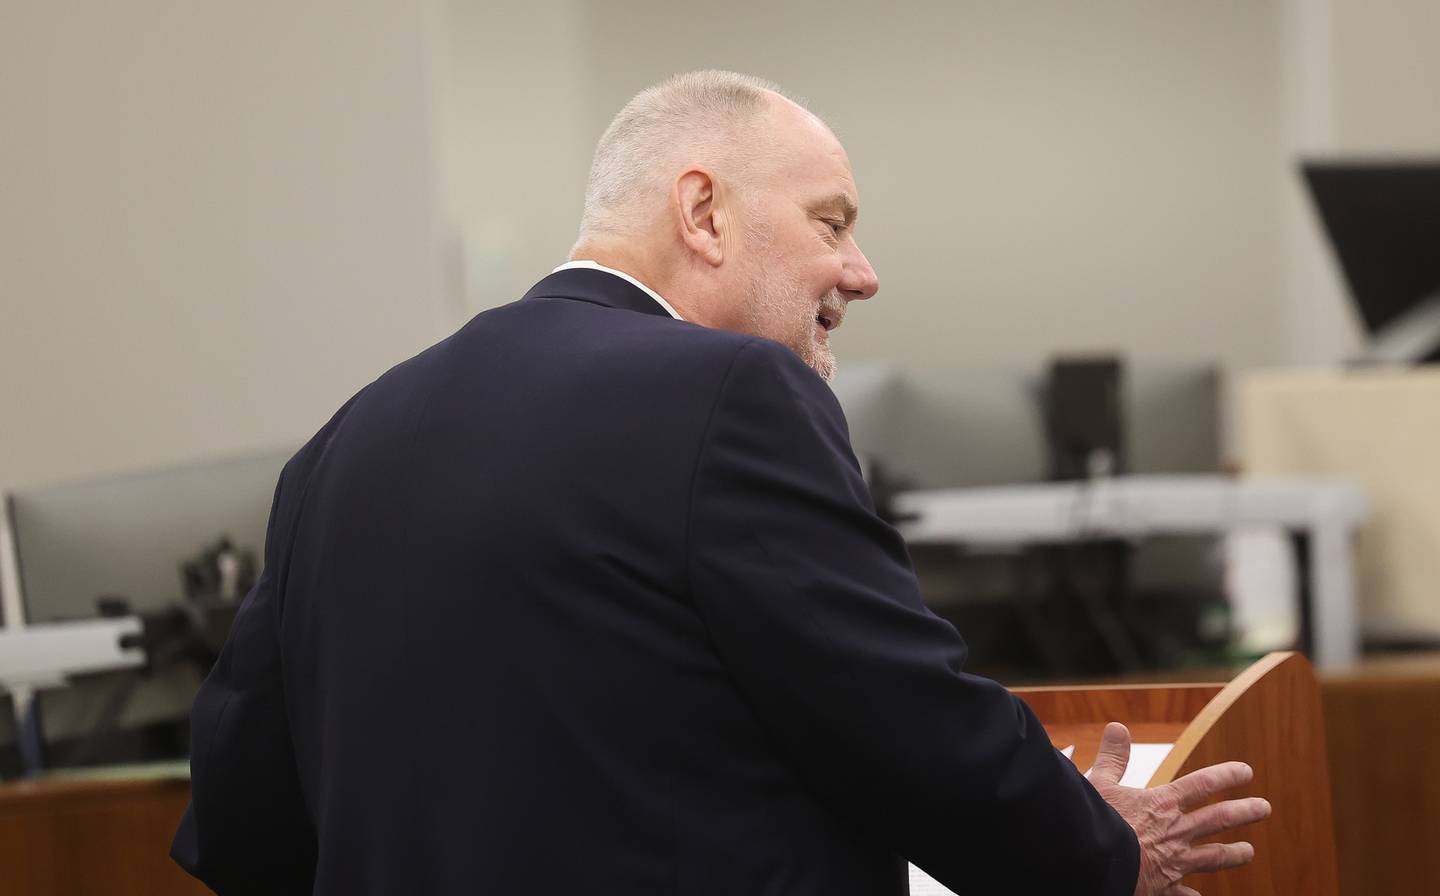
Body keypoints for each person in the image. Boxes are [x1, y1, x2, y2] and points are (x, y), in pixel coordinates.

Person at [172, 71, 1268, 895]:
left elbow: (237, 821)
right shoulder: (730, 392)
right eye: (831, 223)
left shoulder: (348, 438)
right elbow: (898, 719)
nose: (863, 272)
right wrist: (1105, 851)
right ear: (703, 214)